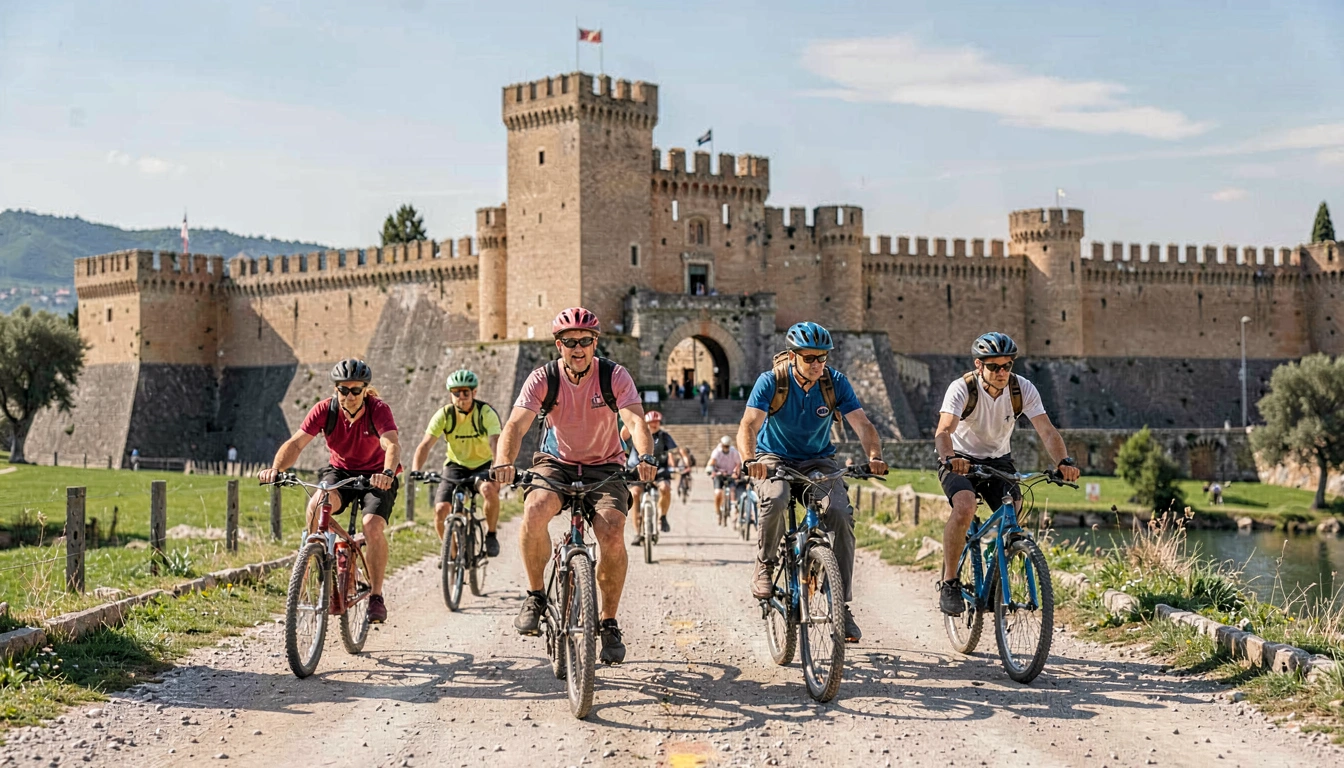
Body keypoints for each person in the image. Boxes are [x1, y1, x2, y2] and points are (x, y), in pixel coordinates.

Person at [492, 307, 657, 665]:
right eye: (570, 342)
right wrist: (503, 461)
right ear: (558, 345)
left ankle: (609, 621)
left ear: (595, 342)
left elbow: (635, 419)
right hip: (556, 463)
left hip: (605, 464)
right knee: (535, 510)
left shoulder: (614, 375)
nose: (578, 348)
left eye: (585, 341)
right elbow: (516, 425)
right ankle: (536, 595)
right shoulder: (543, 378)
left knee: (612, 530)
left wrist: (644, 457)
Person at [738, 322, 888, 643]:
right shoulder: (772, 382)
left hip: (819, 460)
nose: (818, 364)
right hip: (773, 457)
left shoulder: (834, 384)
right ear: (793, 357)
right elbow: (749, 425)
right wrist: (750, 460)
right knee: (776, 498)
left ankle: (841, 604)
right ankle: (765, 564)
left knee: (840, 513)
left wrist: (874, 455)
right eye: (810, 359)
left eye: (823, 358)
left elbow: (862, 424)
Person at [933, 332, 1081, 616]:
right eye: (994, 366)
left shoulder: (1021, 389)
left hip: (998, 460)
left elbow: (1047, 431)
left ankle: (997, 563)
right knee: (964, 507)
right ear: (979, 365)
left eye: (1007, 366)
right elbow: (944, 431)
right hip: (958, 458)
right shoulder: (962, 388)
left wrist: (1064, 461)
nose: (1002, 372)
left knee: (1014, 506)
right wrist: (950, 458)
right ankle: (949, 581)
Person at [258, 359, 401, 623]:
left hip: (377, 475)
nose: (350, 396)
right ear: (336, 389)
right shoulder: (325, 410)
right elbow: (297, 443)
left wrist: (388, 473)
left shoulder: (378, 409)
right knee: (316, 504)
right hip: (340, 472)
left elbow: (390, 444)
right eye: (343, 390)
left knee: (371, 526)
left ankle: (376, 597)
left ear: (365, 390)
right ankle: (315, 562)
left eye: (356, 390)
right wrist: (275, 469)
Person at [409, 369, 503, 557]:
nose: (461, 397)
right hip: (455, 465)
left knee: (488, 491)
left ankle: (491, 534)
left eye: (465, 393)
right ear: (450, 394)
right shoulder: (445, 414)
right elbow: (425, 445)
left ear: (474, 393)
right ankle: (450, 554)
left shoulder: (485, 412)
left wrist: (498, 466)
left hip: (482, 464)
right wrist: (415, 470)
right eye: (456, 393)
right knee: (441, 509)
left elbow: (495, 441)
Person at [624, 411, 689, 544]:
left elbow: (675, 450)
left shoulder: (664, 436)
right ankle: (637, 533)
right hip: (637, 470)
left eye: (657, 422)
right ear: (645, 424)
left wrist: (683, 462)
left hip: (659, 470)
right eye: (651, 422)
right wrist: (628, 418)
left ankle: (662, 516)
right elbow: (623, 434)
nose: (654, 424)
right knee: (635, 494)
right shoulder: (636, 434)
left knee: (665, 488)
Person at [706, 435, 744, 523]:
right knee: (718, 493)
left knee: (732, 490)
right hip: (719, 474)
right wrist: (711, 470)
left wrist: (736, 472)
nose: (725, 448)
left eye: (727, 446)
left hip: (731, 474)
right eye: (724, 446)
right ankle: (718, 512)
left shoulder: (734, 452)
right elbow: (712, 462)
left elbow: (738, 464)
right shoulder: (717, 452)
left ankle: (734, 509)